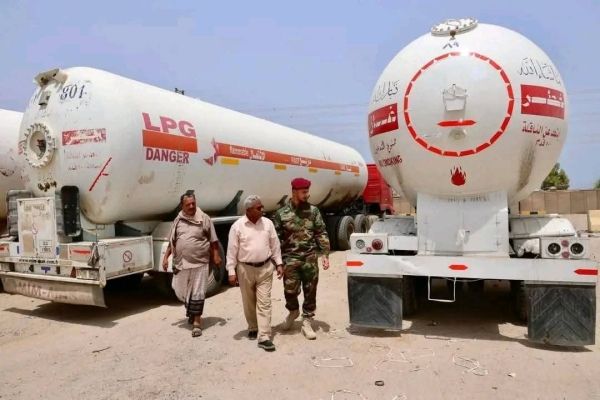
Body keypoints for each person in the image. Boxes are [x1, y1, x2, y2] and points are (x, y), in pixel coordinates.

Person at [273, 177, 330, 340]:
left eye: (307, 191)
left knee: (310, 291)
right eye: (304, 192)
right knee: (290, 291)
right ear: (294, 192)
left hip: (309, 258)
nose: (307, 195)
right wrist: (277, 262)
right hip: (290, 259)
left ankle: (307, 320)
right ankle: (293, 311)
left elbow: (321, 232)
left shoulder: (313, 211)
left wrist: (325, 254)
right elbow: (275, 239)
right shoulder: (281, 214)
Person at [226, 195, 283, 352]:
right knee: (249, 301)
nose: (262, 209)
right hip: (245, 269)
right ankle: (253, 326)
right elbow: (232, 250)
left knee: (264, 302)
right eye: (259, 207)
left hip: (265, 268)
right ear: (249, 210)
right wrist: (231, 271)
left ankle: (264, 336)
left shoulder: (268, 223)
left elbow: (275, 244)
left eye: (262, 206)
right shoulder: (237, 226)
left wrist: (279, 263)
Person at [162, 190, 222, 337]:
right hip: (181, 263)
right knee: (179, 290)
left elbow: (213, 240)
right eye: (188, 204)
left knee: (198, 291)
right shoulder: (178, 220)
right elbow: (172, 241)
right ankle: (191, 308)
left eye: (193, 203)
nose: (191, 206)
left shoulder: (204, 218)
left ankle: (197, 322)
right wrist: (165, 257)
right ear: (182, 206)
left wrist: (216, 255)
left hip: (200, 262)